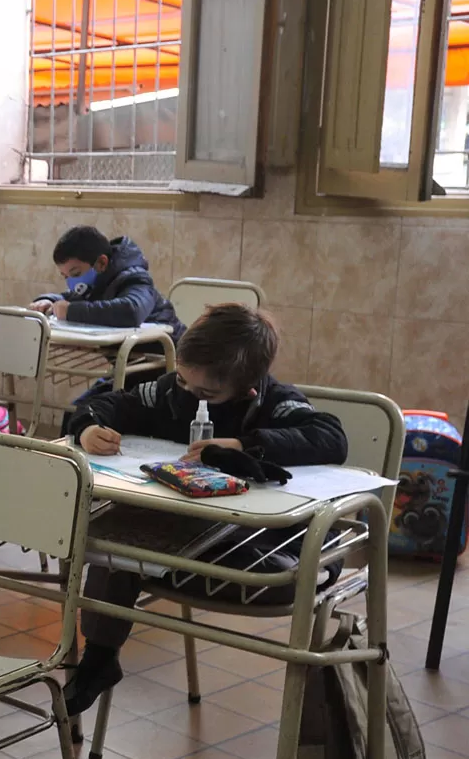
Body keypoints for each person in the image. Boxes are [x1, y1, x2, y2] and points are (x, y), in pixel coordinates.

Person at [61, 304, 348, 715]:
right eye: (182, 379)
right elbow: (102, 404)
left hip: (253, 543)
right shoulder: (170, 393)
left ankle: (99, 656)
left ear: (247, 388)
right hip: (186, 540)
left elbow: (330, 437)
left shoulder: (272, 403)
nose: (189, 395)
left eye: (206, 394)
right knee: (116, 542)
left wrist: (247, 445)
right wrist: (88, 429)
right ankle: (98, 658)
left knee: (135, 549)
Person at [30, 225, 184, 339]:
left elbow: (131, 311)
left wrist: (71, 311)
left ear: (102, 263)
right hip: (133, 365)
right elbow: (73, 297)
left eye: (75, 273)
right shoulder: (97, 282)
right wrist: (49, 300)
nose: (71, 281)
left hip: (169, 365)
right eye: (65, 276)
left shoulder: (136, 278)